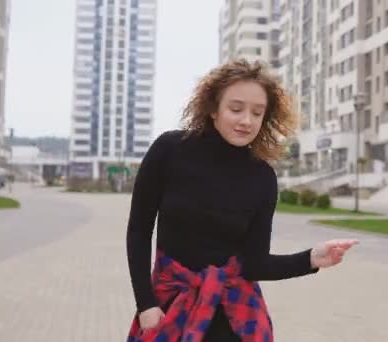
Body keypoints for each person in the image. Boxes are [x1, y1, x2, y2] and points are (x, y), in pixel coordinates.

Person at [126, 59, 358, 342]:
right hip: (169, 309)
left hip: (236, 317)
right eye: (236, 109)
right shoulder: (170, 150)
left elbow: (254, 265)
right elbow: (139, 231)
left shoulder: (262, 177)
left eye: (257, 113)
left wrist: (311, 258)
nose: (246, 120)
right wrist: (145, 304)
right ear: (213, 108)